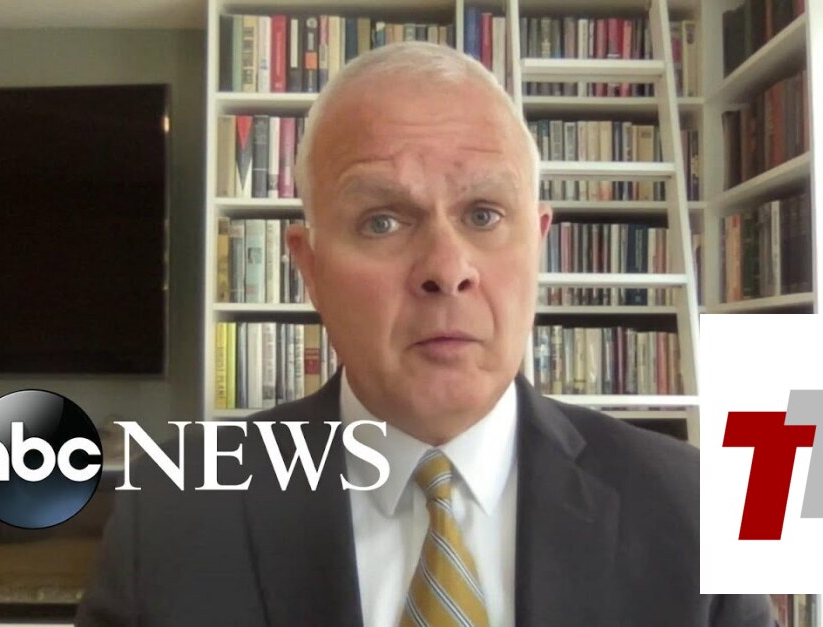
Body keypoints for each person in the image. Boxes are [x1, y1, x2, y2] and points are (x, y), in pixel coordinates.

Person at [75, 41, 772, 626]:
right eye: (382, 221)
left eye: (484, 214)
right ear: (310, 268)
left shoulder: (697, 509)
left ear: (536, 245)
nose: (446, 269)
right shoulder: (172, 510)